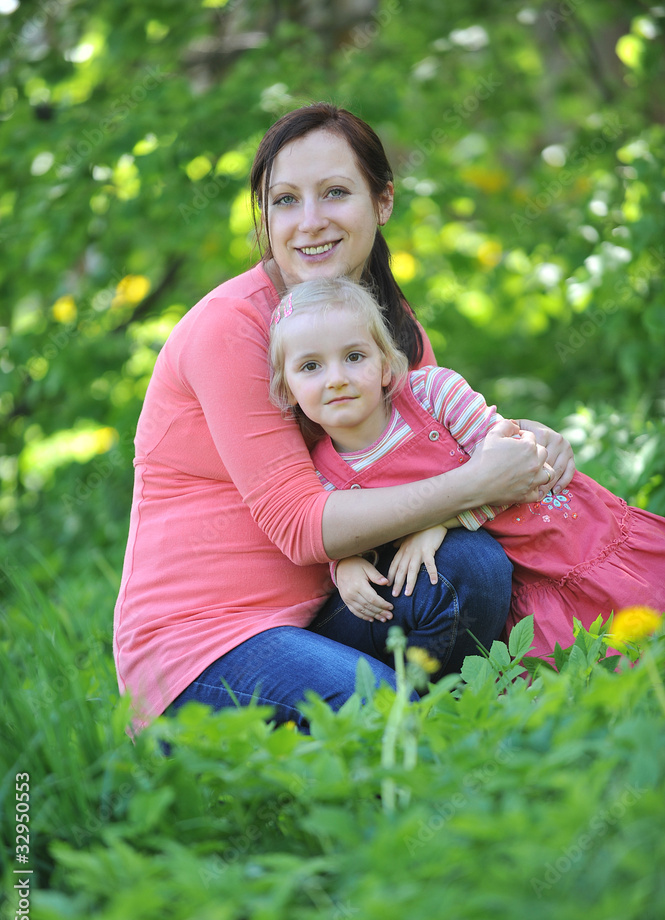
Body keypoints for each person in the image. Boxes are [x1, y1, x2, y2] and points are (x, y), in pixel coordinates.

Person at [113, 102, 572, 734]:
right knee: (380, 708)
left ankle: (442, 727)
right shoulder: (231, 329)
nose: (310, 222)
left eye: (334, 192)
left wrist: (525, 446)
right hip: (204, 647)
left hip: (334, 609)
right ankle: (416, 735)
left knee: (469, 566)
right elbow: (302, 526)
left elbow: (433, 454)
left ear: (382, 201)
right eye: (285, 201)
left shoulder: (384, 325)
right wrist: (479, 482)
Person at [269, 277, 665, 660]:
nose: (337, 379)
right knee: (585, 663)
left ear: (386, 366)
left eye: (354, 357)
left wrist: (439, 525)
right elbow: (356, 535)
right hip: (524, 578)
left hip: (568, 534)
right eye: (311, 366)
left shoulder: (431, 394)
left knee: (644, 618)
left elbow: (522, 470)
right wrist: (344, 566)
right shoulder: (323, 474)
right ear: (287, 390)